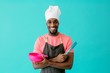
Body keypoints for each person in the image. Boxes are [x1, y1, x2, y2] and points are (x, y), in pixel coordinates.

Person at [32, 5, 74, 73]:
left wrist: (47, 62)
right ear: (46, 23)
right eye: (49, 22)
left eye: (55, 21)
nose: (52, 25)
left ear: (58, 23)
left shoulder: (67, 39)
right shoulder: (40, 40)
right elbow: (35, 65)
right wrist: (55, 59)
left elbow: (69, 65)